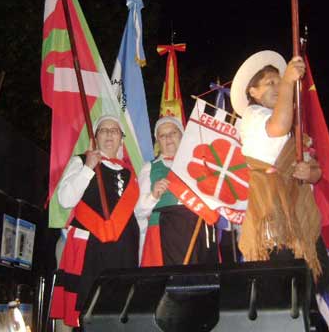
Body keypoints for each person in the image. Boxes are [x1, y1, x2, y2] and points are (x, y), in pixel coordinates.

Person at [230, 50, 323, 278]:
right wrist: (288, 83)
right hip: (271, 220)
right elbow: (277, 126)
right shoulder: (252, 115)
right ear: (253, 92)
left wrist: (307, 173)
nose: (277, 86)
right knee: (280, 286)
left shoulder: (294, 129)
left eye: (279, 81)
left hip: (298, 218)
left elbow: (316, 171)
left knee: (307, 290)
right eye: (270, 83)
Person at [50, 115, 141, 328]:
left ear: (121, 139)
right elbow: (65, 200)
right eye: (103, 130)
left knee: (118, 310)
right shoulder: (81, 161)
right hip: (91, 249)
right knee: (87, 312)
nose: (109, 134)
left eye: (115, 130)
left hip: (123, 250)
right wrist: (88, 168)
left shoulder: (130, 172)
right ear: (95, 137)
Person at [137, 116, 218, 266]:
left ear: (182, 136)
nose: (168, 138)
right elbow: (138, 211)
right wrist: (153, 196)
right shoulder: (150, 168)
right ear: (158, 142)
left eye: (173, 133)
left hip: (196, 231)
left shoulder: (199, 165)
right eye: (162, 135)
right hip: (164, 234)